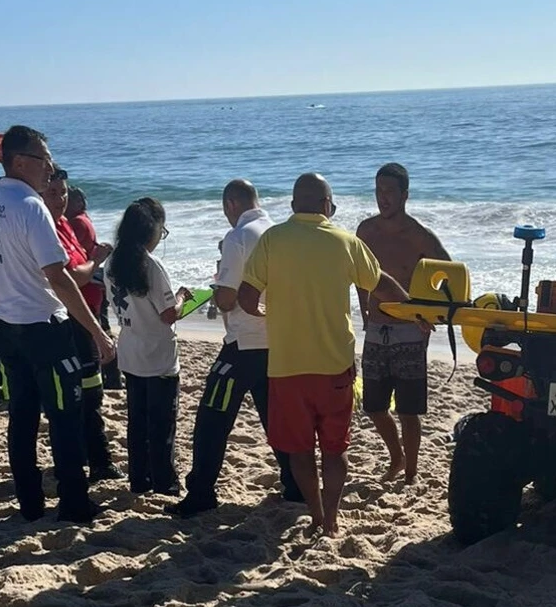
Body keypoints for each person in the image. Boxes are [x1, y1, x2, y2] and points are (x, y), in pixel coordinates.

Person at [238, 172, 414, 537]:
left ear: (292, 206)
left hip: (286, 367)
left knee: (300, 452)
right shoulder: (345, 241)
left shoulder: (272, 239)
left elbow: (245, 298)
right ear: (326, 206)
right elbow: (381, 285)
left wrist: (268, 315)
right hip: (334, 367)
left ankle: (316, 514)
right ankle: (332, 518)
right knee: (335, 451)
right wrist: (415, 309)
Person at [0, 125, 114, 523]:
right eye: (44, 161)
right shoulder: (30, 206)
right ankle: (73, 502)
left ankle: (30, 503)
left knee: (22, 416)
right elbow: (60, 276)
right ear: (20, 162)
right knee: (65, 415)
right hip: (41, 327)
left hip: (7, 325)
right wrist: (98, 332)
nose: (49, 170)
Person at [175, 180, 301, 518]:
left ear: (231, 204)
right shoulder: (277, 232)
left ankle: (201, 491)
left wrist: (216, 287)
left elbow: (228, 297)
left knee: (212, 418)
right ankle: (295, 485)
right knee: (275, 419)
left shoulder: (238, 236)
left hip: (243, 343)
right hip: (277, 339)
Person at [356, 163, 450, 485]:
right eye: (378, 191)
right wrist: (362, 307)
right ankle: (396, 457)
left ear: (404, 195)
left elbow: (450, 277)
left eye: (390, 192)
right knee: (374, 407)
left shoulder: (420, 236)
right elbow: (359, 274)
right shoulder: (365, 231)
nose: (383, 198)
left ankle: (410, 474)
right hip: (375, 330)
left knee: (409, 411)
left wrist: (431, 314)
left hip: (410, 332)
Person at [107, 197, 193, 497]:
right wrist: (183, 297)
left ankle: (139, 479)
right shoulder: (151, 265)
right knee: (162, 424)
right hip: (158, 355)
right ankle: (164, 482)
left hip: (130, 349)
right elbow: (168, 313)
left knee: (137, 422)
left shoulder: (112, 262)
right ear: (151, 231)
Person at [41, 168, 121, 482]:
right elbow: (71, 277)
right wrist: (96, 261)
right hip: (71, 320)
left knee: (91, 392)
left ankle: (94, 458)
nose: (59, 200)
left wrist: (91, 261)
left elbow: (77, 268)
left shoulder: (65, 224)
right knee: (83, 395)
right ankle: (96, 461)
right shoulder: (46, 227)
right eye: (52, 194)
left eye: (63, 194)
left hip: (85, 315)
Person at [67, 186, 122, 390]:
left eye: (69, 200)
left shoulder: (77, 222)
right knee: (100, 328)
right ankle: (112, 376)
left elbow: (77, 255)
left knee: (96, 331)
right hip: (92, 281)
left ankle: (112, 376)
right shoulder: (82, 220)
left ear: (79, 203)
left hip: (89, 283)